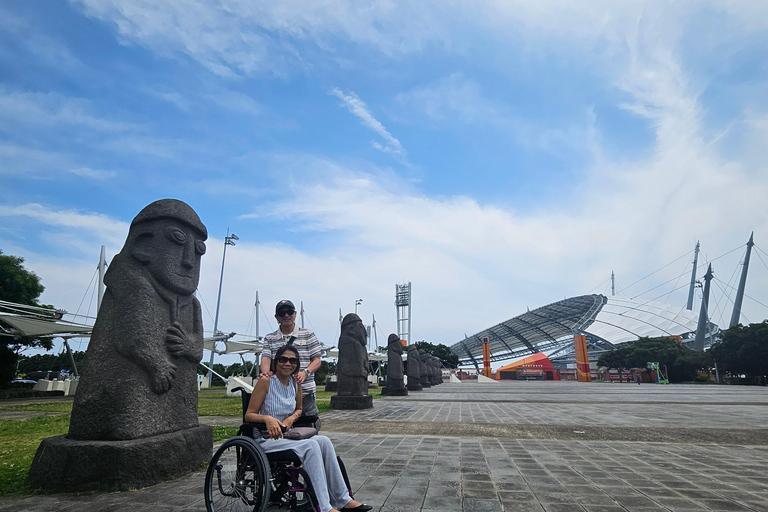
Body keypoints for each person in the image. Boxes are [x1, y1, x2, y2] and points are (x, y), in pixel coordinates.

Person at [246, 344, 371, 512]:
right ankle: (325, 507)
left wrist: (293, 417)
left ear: (297, 364)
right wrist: (267, 419)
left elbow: (299, 408)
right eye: (283, 359)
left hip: (286, 436)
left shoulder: (295, 384)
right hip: (265, 439)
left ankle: (343, 499)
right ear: (276, 362)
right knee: (311, 446)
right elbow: (249, 415)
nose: (287, 364)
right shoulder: (266, 381)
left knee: (324, 441)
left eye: (292, 360)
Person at [260, 300, 322, 420]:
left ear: (295, 314)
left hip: (304, 390)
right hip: (279, 394)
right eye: (282, 313)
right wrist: (266, 373)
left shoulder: (308, 334)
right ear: (276, 317)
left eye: (289, 312)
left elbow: (317, 360)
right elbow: (266, 358)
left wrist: (305, 373)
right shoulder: (270, 338)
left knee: (307, 425)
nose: (286, 315)